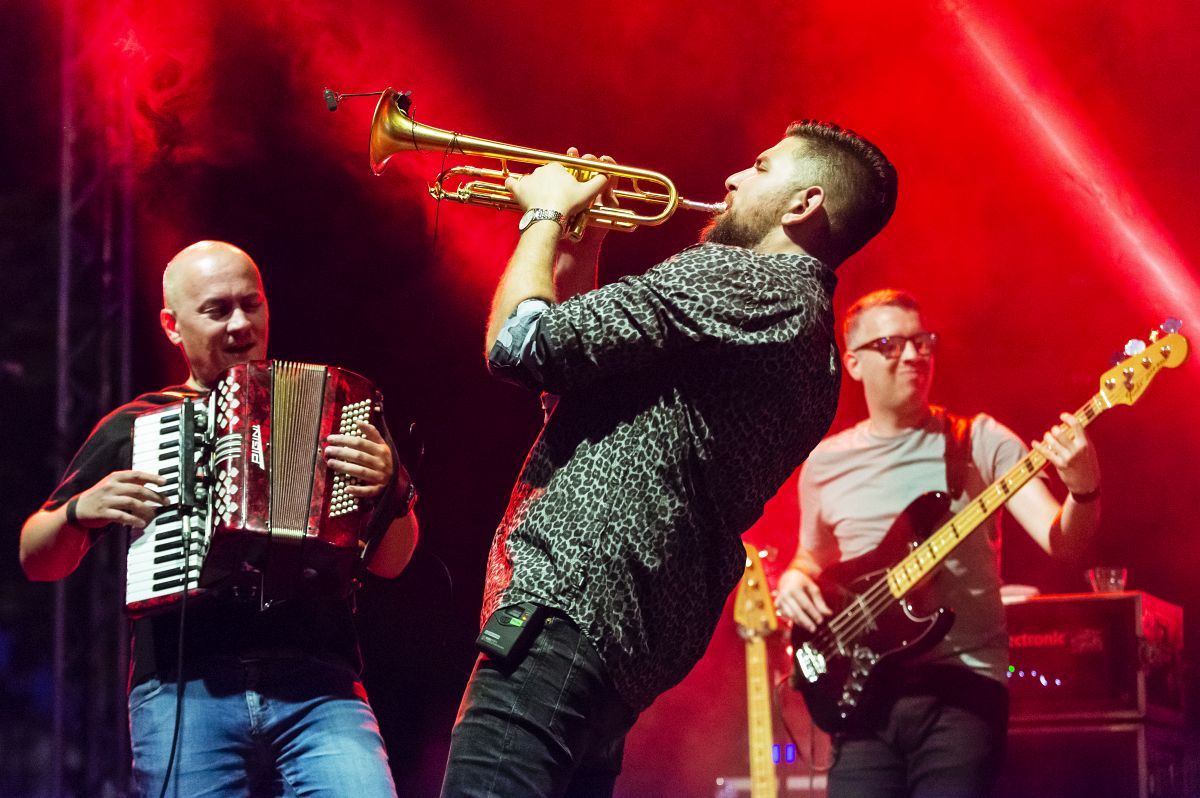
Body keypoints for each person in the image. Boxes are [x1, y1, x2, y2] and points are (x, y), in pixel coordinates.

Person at [439, 122, 898, 797]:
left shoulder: (743, 277)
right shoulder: (815, 346)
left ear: (804, 204)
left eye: (761, 167)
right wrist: (584, 245)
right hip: (619, 647)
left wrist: (543, 214)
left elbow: (519, 344)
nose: (733, 178)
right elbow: (576, 388)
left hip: (568, 604)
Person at [20, 240, 418, 797]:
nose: (240, 324)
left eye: (251, 304)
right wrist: (78, 512)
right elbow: (35, 557)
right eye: (216, 310)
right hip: (185, 691)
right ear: (172, 326)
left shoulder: (337, 406)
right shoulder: (140, 424)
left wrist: (393, 487)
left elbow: (393, 562)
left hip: (318, 686)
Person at [774, 288, 1102, 798]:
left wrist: (1084, 488)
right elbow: (811, 556)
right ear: (853, 363)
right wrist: (794, 578)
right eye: (890, 344)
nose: (912, 355)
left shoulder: (978, 441)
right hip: (862, 698)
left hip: (962, 691)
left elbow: (1063, 542)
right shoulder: (824, 464)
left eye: (922, 341)